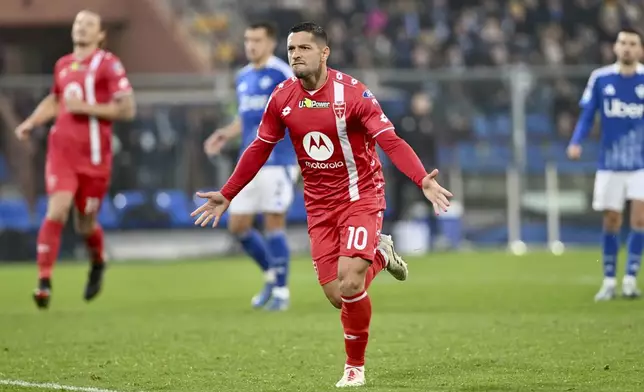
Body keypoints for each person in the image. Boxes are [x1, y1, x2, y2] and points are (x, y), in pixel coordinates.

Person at [192, 22, 452, 387]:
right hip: (319, 205)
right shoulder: (282, 97)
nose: (295, 55)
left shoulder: (354, 94)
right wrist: (229, 192)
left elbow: (390, 141)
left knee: (350, 282)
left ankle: (354, 367)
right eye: (291, 49)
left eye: (303, 48)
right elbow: (259, 148)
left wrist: (421, 177)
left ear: (324, 52)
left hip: (361, 196)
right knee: (337, 295)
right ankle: (382, 254)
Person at [14, 10, 136, 309]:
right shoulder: (63, 65)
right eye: (78, 23)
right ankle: (43, 281)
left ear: (100, 35)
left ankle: (97, 262)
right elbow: (57, 99)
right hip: (62, 154)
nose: (81, 28)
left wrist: (86, 107)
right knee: (57, 209)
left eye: (89, 24)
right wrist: (32, 121)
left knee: (85, 224)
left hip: (95, 158)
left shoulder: (109, 64)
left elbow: (127, 109)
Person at [203, 22, 296, 311]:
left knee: (273, 222)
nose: (251, 45)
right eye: (247, 40)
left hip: (278, 160)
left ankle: (281, 292)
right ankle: (271, 274)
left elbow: (298, 115)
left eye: (256, 40)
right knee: (238, 225)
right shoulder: (243, 76)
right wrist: (224, 134)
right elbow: (246, 119)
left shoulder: (283, 74)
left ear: (270, 43)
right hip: (250, 161)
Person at [568, 27, 644, 301]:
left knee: (640, 218)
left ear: (640, 50)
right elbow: (588, 115)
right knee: (612, 220)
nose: (627, 48)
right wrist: (576, 141)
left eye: (632, 43)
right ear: (615, 47)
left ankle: (630, 279)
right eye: (622, 42)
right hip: (610, 163)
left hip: (641, 163)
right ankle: (610, 280)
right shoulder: (600, 78)